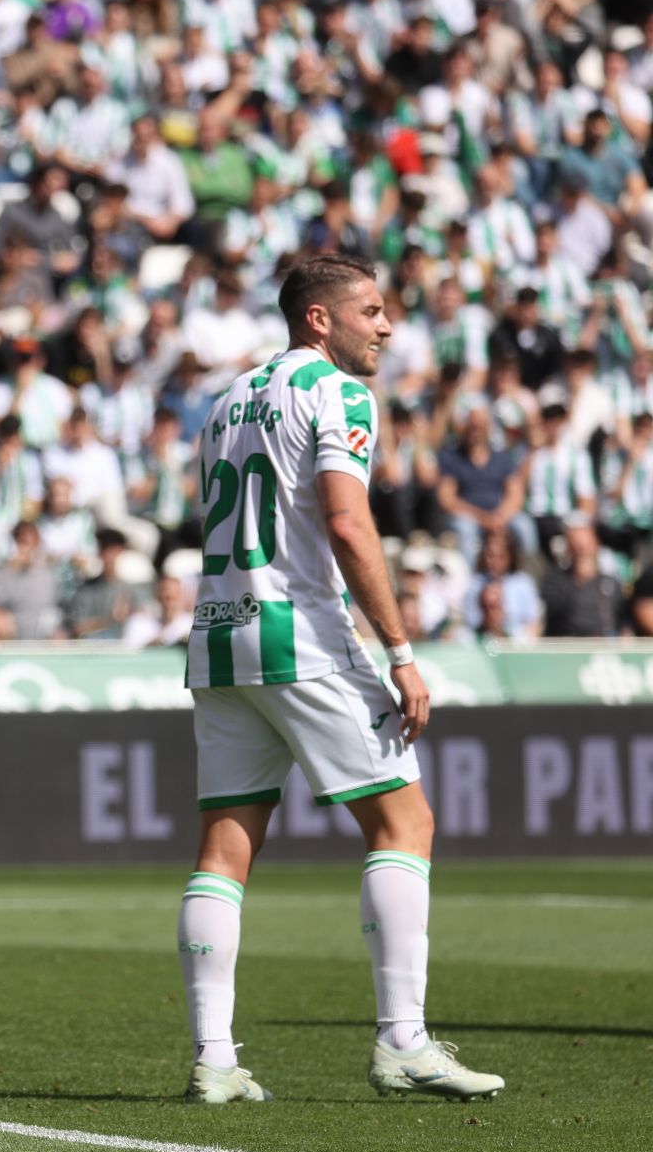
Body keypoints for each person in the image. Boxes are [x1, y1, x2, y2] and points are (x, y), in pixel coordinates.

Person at [179, 253, 502, 1104]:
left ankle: (214, 1059)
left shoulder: (225, 401)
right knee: (405, 822)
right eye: (371, 310)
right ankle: (403, 1041)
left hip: (218, 637)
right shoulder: (338, 392)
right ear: (318, 319)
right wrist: (400, 650)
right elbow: (349, 523)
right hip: (303, 636)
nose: (386, 326)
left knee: (224, 849)